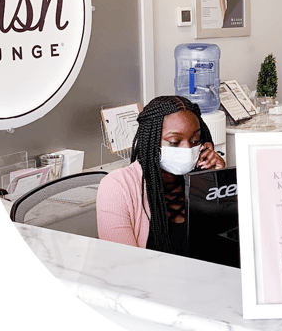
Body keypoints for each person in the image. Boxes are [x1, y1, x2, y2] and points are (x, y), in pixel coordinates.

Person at [96, 95, 225, 253]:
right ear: (151, 141)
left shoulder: (202, 178)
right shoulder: (117, 187)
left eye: (195, 140)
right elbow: (123, 262)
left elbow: (229, 244)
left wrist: (218, 179)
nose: (187, 149)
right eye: (174, 142)